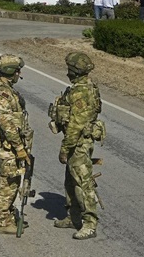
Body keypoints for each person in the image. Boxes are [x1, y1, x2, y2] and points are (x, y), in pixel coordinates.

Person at [50, 52, 105, 240]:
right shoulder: (82, 88)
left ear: (74, 71)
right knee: (71, 182)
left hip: (79, 144)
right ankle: (73, 217)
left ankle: (90, 223)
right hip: (76, 142)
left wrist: (65, 148)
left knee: (83, 184)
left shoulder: (81, 92)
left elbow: (76, 125)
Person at [0, 54, 32, 235]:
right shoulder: (2, 93)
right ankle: (3, 222)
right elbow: (7, 124)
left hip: (9, 144)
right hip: (8, 146)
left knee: (13, 180)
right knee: (9, 183)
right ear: (11, 72)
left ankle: (9, 215)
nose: (19, 74)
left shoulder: (2, 88)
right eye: (18, 71)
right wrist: (19, 148)